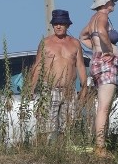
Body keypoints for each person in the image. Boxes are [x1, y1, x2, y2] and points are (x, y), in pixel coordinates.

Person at [27, 9, 88, 142]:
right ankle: (45, 153)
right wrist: (31, 88)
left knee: (68, 126)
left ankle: (63, 153)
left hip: (69, 90)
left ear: (68, 25)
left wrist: (84, 87)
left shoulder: (75, 43)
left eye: (61, 23)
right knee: (46, 126)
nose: (58, 26)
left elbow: (81, 66)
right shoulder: (46, 43)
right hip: (49, 88)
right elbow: (37, 66)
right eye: (56, 24)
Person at [79, 0, 118, 157]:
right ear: (105, 3)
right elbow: (103, 32)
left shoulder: (93, 19)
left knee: (102, 107)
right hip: (106, 64)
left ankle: (100, 144)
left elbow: (83, 37)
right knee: (104, 108)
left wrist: (96, 50)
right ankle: (100, 147)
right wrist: (109, 50)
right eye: (112, 1)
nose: (114, 3)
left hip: (97, 61)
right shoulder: (103, 17)